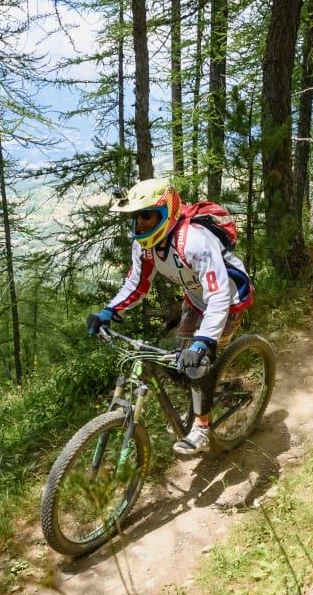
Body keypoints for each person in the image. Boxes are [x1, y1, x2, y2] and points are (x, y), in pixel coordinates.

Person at [87, 178, 253, 456]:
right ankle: (199, 395)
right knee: (182, 356)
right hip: (196, 299)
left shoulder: (195, 241)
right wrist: (108, 311)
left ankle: (201, 427)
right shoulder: (144, 246)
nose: (140, 224)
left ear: (166, 212)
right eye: (136, 218)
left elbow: (219, 294)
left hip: (228, 301)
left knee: (199, 360)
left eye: (147, 216)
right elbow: (137, 284)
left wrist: (204, 342)